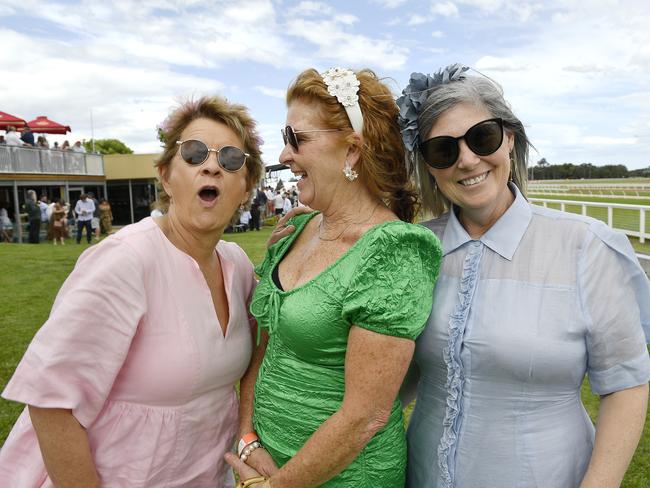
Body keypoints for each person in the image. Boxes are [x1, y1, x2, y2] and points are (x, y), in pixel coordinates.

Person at [395, 64, 650, 488]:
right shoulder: (414, 249)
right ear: (429, 166)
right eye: (443, 150)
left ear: (509, 139)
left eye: (482, 137)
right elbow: (394, 378)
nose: (468, 159)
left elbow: (625, 385)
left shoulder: (587, 247)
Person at [0, 95, 264, 487]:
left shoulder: (237, 265)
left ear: (246, 188)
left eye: (230, 159)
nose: (211, 165)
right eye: (193, 154)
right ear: (165, 176)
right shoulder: (124, 261)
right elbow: (51, 404)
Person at [226, 67, 442, 488]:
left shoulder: (393, 252)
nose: (284, 155)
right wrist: (249, 437)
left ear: (352, 151)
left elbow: (366, 415)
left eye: (297, 139)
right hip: (263, 462)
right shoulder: (296, 231)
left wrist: (276, 486)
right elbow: (266, 349)